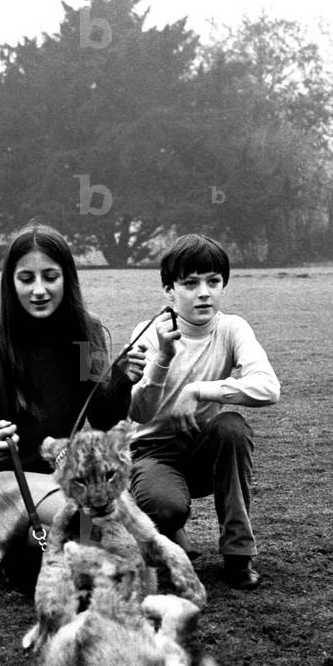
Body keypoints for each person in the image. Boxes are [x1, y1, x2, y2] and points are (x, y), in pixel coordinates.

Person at [0, 222, 146, 587]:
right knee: (99, 529)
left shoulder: (85, 334)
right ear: (11, 283)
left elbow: (103, 416)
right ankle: (11, 544)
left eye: (50, 276)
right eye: (26, 278)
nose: (39, 290)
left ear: (67, 278)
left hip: (60, 478)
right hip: (5, 484)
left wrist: (121, 378)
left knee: (113, 522)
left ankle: (30, 553)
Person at [129, 233, 280, 589]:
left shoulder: (232, 328)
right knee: (165, 508)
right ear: (169, 290)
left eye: (213, 281)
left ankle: (238, 555)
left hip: (205, 449)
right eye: (190, 283)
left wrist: (201, 390)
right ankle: (169, 528)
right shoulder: (148, 333)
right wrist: (163, 359)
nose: (204, 292)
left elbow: (269, 387)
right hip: (154, 453)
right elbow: (138, 411)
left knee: (232, 427)